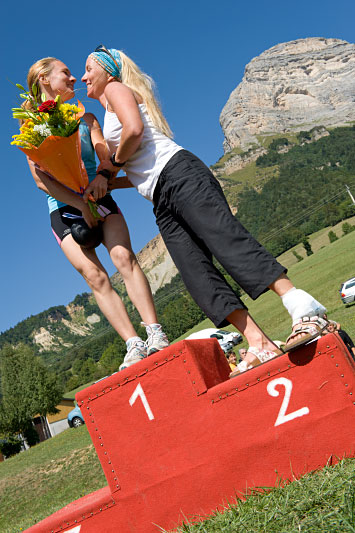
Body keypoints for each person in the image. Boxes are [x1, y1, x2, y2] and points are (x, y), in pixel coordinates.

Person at [81, 46, 328, 375]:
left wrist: (107, 171)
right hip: (160, 195)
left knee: (226, 240)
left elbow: (135, 131)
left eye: (88, 68)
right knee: (196, 274)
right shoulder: (108, 105)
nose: (83, 76)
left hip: (181, 175)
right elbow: (139, 167)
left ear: (108, 71)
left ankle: (303, 306)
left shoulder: (115, 89)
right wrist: (106, 183)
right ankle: (259, 343)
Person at [22, 57, 168, 370]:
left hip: (99, 198)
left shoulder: (87, 119)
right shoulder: (31, 127)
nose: (74, 78)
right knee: (95, 276)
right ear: (45, 80)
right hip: (63, 210)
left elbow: (104, 155)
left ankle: (155, 333)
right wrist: (77, 206)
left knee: (124, 259)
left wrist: (104, 175)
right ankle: (133, 344)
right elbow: (40, 179)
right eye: (66, 74)